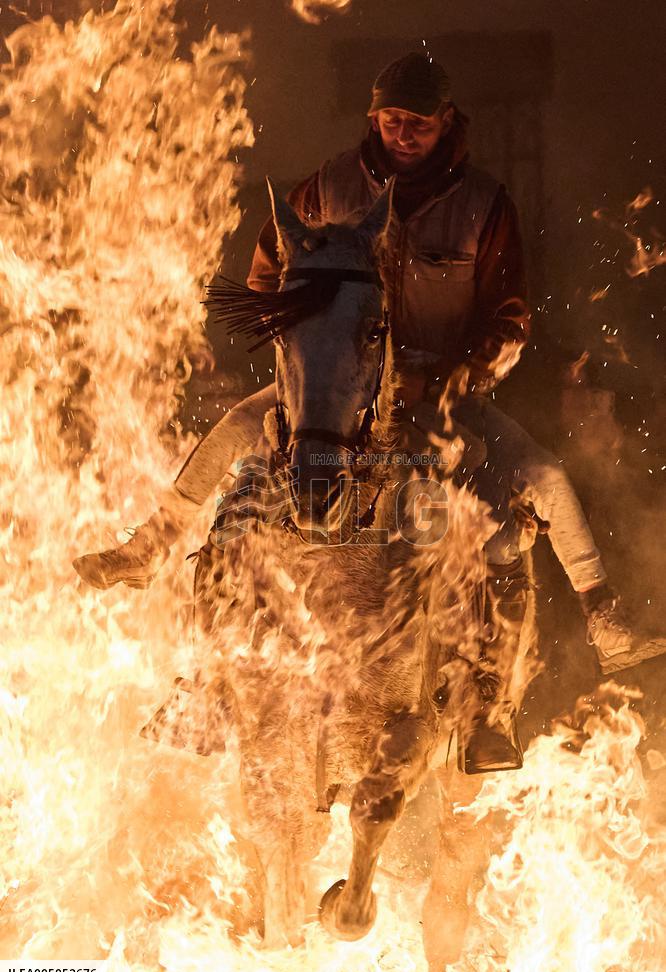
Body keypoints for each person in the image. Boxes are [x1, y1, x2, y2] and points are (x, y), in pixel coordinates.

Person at [74, 53, 658, 680]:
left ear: (446, 123)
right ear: (373, 118)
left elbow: (510, 319)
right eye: (391, 120)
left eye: (419, 124)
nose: (403, 135)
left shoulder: (484, 205)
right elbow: (271, 268)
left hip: (436, 383)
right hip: (331, 379)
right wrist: (298, 340)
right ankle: (147, 552)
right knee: (234, 434)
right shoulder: (324, 190)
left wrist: (454, 380)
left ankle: (600, 611)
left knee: (541, 472)